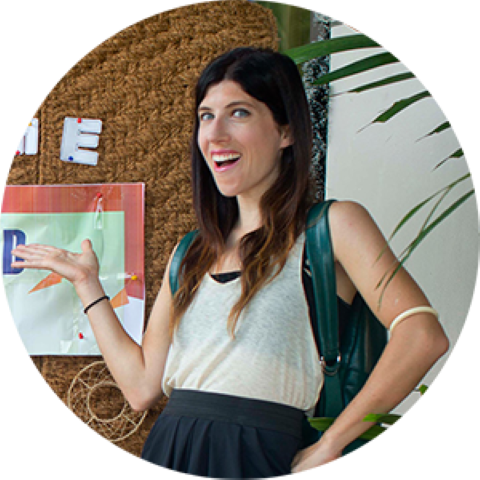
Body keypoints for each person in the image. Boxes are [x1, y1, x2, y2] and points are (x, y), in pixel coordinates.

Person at [11, 47, 449, 478]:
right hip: (171, 447)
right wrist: (88, 284)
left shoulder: (332, 226)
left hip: (265, 453)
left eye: (239, 112)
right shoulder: (191, 252)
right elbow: (142, 388)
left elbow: (422, 335)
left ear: (286, 131)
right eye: (205, 115)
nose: (215, 134)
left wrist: (331, 444)